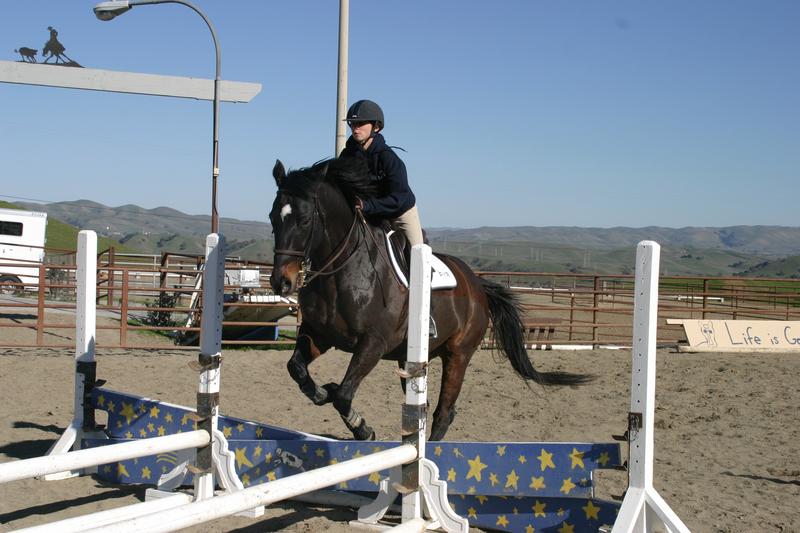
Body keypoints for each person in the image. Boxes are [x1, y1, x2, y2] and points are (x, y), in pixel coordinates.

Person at [339, 99, 424, 247]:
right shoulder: (347, 156)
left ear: (376, 127)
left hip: (400, 213)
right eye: (352, 124)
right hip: (370, 213)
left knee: (418, 252)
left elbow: (398, 198)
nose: (355, 128)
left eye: (360, 123)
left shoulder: (389, 158)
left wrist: (367, 205)